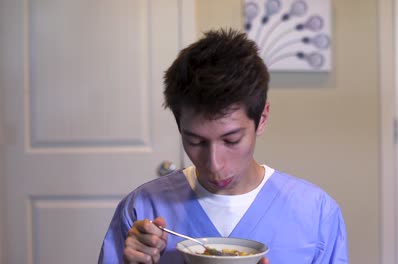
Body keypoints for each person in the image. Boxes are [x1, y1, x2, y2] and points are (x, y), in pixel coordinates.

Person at [98, 28, 348, 264]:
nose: (214, 165)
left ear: (261, 119)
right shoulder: (143, 209)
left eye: (231, 140)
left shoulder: (316, 214)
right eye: (196, 141)